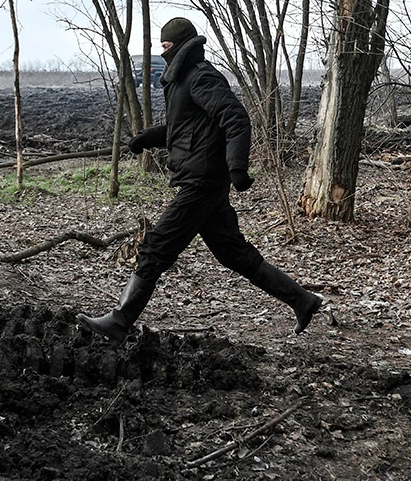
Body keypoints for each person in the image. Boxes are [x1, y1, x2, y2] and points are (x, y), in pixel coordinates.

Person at [76, 17, 322, 343]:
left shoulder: (200, 77)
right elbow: (186, 131)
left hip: (202, 182)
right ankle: (303, 300)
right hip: (202, 181)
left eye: (166, 47)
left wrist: (237, 167)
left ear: (180, 46)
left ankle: (120, 322)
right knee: (234, 254)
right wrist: (148, 137)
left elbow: (235, 117)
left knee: (155, 248)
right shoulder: (181, 81)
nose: (162, 53)